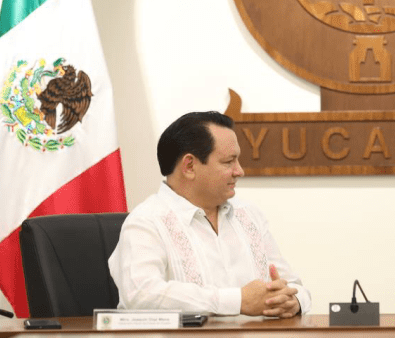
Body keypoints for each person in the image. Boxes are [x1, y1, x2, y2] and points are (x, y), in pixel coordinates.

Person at [109, 111, 310, 316]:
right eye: (228, 162)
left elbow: (294, 285)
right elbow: (141, 295)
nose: (240, 171)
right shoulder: (146, 221)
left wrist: (293, 301)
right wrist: (237, 301)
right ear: (189, 166)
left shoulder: (248, 214)